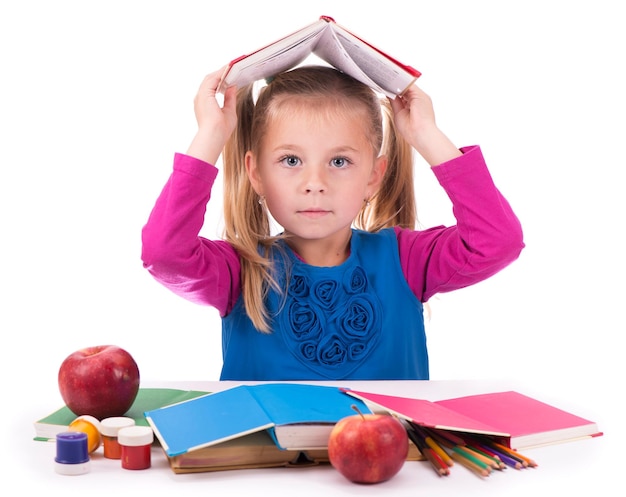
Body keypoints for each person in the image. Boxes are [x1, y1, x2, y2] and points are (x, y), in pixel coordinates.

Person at [141, 65, 524, 381]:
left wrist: (426, 135)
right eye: (291, 160)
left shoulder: (407, 260)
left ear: (373, 177)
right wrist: (210, 136)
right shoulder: (238, 269)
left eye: (339, 162)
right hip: (261, 473)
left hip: (397, 471)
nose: (315, 184)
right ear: (256, 173)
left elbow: (498, 240)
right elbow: (163, 253)